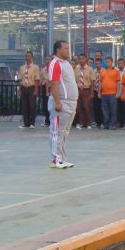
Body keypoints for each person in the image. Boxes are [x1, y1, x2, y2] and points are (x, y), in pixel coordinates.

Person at [48, 40, 78, 169]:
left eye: (68, 48)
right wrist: (57, 102)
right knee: (57, 132)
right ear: (58, 50)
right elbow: (54, 84)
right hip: (62, 102)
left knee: (64, 132)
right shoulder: (55, 64)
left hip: (71, 102)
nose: (68, 51)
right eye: (65, 48)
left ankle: (62, 158)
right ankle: (55, 159)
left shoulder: (67, 64)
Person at [18, 51, 40, 129]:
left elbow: (37, 79)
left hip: (31, 87)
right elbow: (20, 79)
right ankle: (26, 123)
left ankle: (32, 123)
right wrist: (19, 90)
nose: (27, 57)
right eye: (26, 56)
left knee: (32, 106)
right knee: (24, 106)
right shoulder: (22, 67)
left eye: (29, 56)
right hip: (24, 87)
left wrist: (36, 90)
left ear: (32, 57)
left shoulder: (35, 67)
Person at [74, 53, 95, 129]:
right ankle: (80, 122)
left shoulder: (90, 69)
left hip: (86, 89)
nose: (81, 60)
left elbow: (92, 81)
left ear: (85, 59)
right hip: (78, 90)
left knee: (87, 107)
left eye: (83, 58)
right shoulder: (76, 69)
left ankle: (88, 123)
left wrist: (92, 92)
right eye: (80, 58)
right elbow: (74, 80)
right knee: (79, 107)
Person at [99, 57, 120, 130]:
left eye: (109, 62)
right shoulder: (102, 71)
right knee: (105, 110)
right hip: (104, 94)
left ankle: (113, 124)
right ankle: (106, 124)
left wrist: (118, 92)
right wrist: (99, 92)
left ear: (112, 62)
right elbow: (100, 82)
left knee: (113, 110)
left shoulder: (116, 71)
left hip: (113, 93)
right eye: (106, 62)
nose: (108, 63)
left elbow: (118, 82)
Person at [40, 55, 52, 127]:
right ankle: (47, 120)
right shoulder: (43, 70)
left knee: (52, 105)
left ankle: (52, 121)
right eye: (46, 60)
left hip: (52, 88)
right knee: (45, 105)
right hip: (45, 88)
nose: (48, 61)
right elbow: (41, 81)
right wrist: (41, 91)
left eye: (49, 60)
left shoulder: (54, 69)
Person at [93, 59, 104, 128]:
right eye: (96, 64)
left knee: (102, 107)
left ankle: (103, 122)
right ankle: (97, 122)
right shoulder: (93, 71)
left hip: (102, 91)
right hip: (95, 90)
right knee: (96, 107)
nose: (97, 65)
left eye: (99, 64)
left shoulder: (104, 71)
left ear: (101, 64)